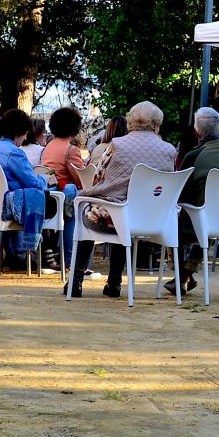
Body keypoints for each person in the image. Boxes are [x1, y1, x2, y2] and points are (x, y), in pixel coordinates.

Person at [67, 100, 175, 299]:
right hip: (154, 219)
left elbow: (98, 178)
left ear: (130, 122)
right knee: (123, 212)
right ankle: (114, 281)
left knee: (98, 210)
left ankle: (76, 279)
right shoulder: (169, 150)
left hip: (114, 218)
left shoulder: (116, 145)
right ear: (157, 124)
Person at [171, 106, 219, 296]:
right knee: (208, 216)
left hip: (203, 221)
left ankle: (182, 274)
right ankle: (187, 272)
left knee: (173, 221)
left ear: (197, 132)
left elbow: (181, 196)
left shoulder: (194, 156)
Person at [0, 108, 49, 270]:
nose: (26, 137)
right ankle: (48, 254)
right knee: (51, 199)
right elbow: (33, 183)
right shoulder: (14, 153)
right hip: (13, 205)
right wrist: (45, 178)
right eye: (25, 133)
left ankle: (15, 253)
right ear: (20, 132)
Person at [41, 106, 88, 273]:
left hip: (48, 196)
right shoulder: (71, 150)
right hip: (64, 198)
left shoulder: (48, 146)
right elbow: (80, 178)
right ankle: (70, 260)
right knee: (74, 216)